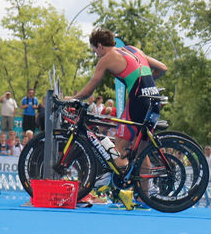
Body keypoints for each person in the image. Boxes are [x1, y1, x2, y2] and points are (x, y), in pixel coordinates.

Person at [69, 29, 169, 210]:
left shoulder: (106, 58)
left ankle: (110, 180)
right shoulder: (132, 49)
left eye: (94, 50)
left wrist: (72, 99)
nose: (96, 54)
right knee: (141, 152)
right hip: (153, 99)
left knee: (120, 148)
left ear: (99, 45)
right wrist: (147, 82)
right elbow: (162, 68)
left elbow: (90, 90)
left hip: (139, 100)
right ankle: (144, 198)